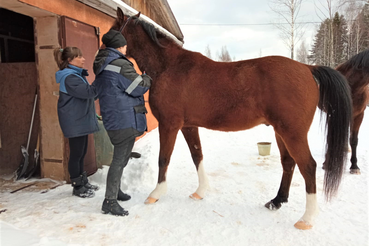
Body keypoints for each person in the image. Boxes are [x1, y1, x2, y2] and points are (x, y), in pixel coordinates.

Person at [93, 30, 152, 216]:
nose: (126, 47)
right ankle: (109, 201)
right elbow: (138, 87)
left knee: (123, 158)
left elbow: (98, 91)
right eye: (124, 44)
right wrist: (147, 77)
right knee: (119, 160)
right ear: (120, 46)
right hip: (123, 120)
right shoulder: (119, 64)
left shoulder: (103, 65)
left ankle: (115, 191)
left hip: (116, 119)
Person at [54, 47, 100, 198]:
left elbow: (89, 95)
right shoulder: (70, 77)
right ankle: (77, 186)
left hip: (79, 119)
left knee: (81, 153)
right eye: (79, 57)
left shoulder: (76, 75)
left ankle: (83, 181)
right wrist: (102, 78)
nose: (83, 59)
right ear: (69, 60)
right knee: (77, 154)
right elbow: (89, 93)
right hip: (74, 120)